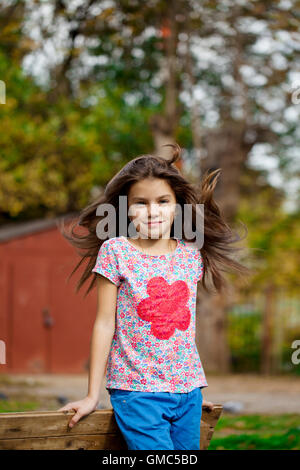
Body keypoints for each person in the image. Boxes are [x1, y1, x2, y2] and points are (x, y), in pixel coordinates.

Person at [57, 142, 249, 450]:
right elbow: (105, 324)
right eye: (141, 203)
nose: (152, 211)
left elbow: (181, 328)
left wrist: (187, 389)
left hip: (188, 393)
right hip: (137, 392)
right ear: (126, 208)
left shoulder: (190, 255)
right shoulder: (116, 251)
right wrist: (93, 395)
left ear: (176, 204)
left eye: (162, 201)